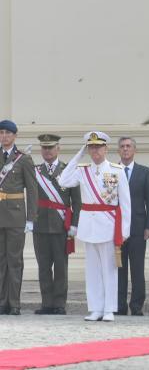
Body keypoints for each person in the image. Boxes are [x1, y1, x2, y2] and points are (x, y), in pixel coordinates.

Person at [59, 131, 131, 322]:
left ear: (106, 148)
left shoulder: (116, 170)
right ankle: (96, 308)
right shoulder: (82, 170)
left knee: (109, 269)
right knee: (92, 270)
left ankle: (109, 309)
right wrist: (78, 155)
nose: (95, 151)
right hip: (89, 226)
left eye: (98, 147)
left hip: (108, 225)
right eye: (91, 147)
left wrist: (124, 230)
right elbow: (63, 180)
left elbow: (125, 203)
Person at [33, 134, 80, 315]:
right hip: (40, 225)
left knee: (61, 266)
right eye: (44, 148)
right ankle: (47, 303)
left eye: (51, 147)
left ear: (58, 149)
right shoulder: (35, 170)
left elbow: (76, 201)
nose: (47, 151)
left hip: (61, 226)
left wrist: (74, 225)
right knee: (43, 266)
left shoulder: (68, 169)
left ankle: (59, 303)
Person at [0, 120, 37, 315]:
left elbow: (32, 191)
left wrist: (30, 218)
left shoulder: (23, 159)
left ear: (15, 135)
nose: (4, 136)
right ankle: (1, 301)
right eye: (2, 132)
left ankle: (14, 302)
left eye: (8, 133)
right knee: (1, 260)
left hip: (15, 215)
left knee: (14, 260)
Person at [115, 137, 149, 316]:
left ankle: (137, 305)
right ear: (118, 151)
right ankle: (119, 305)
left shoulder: (144, 172)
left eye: (128, 146)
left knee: (137, 269)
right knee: (119, 268)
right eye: (122, 147)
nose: (125, 149)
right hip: (116, 229)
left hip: (138, 228)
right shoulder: (112, 171)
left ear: (134, 150)